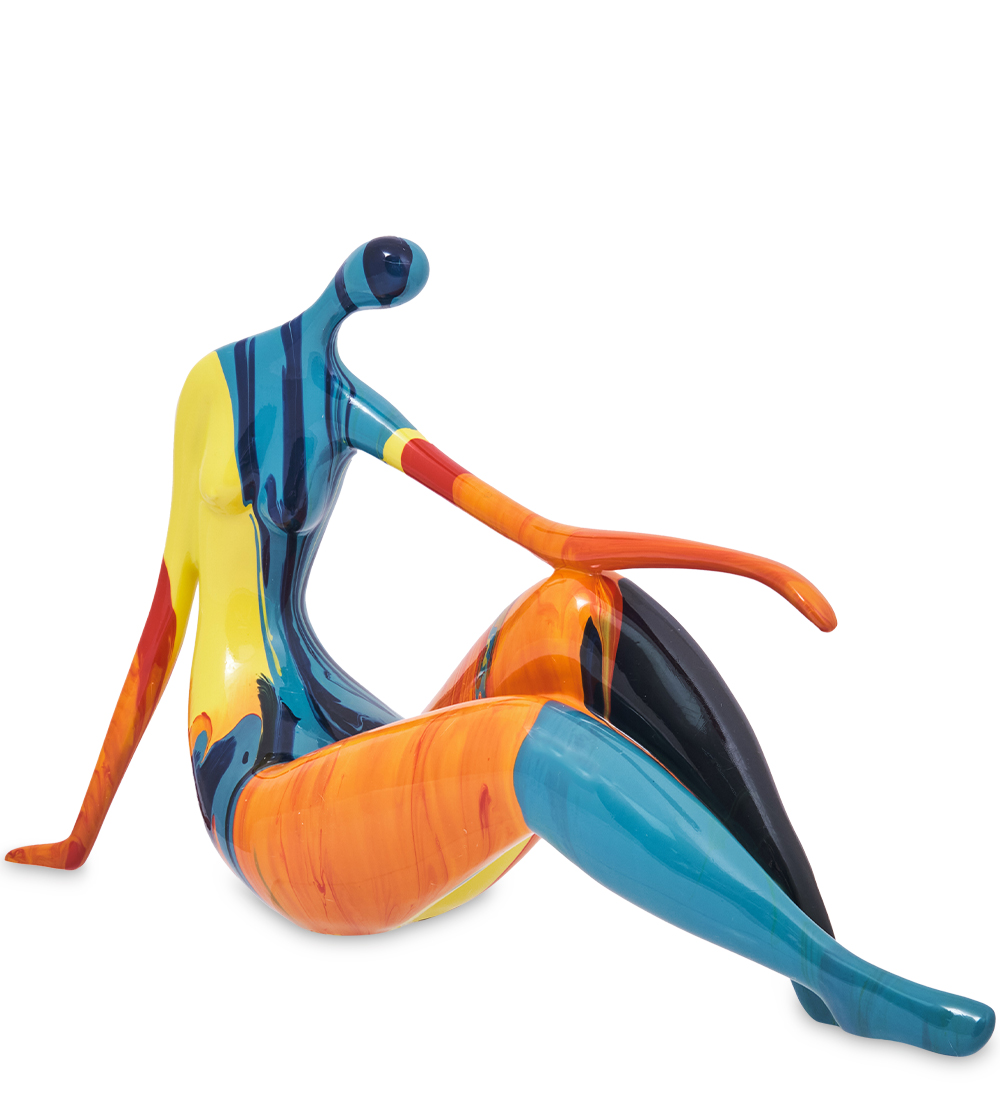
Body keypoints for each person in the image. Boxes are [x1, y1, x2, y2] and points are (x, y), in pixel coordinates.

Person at [7, 237, 993, 1056]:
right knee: (530, 733)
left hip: (373, 785)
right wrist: (83, 834)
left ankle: (816, 950)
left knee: (578, 605)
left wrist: (748, 566)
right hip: (264, 804)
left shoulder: (350, 405)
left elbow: (547, 539)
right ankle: (842, 979)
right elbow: (160, 627)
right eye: (388, 275)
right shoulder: (210, 388)